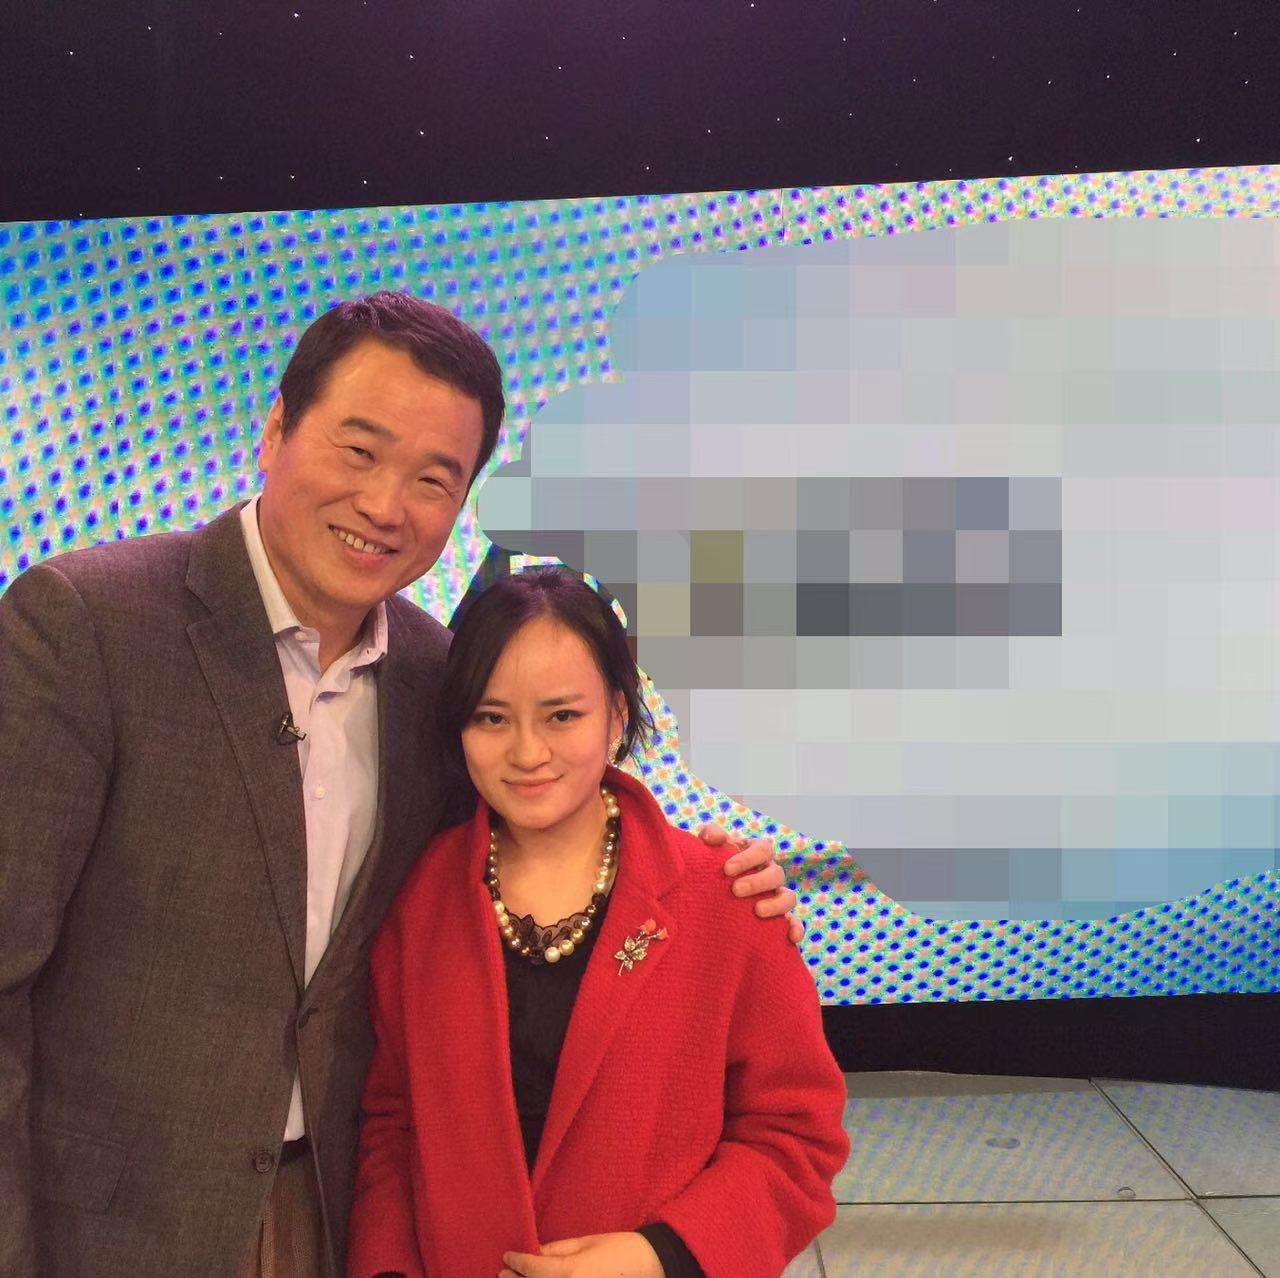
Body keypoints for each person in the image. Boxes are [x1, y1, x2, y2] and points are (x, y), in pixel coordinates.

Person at [0, 291, 798, 1278]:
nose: (386, 506)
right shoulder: (88, 624)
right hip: (112, 1227)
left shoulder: (435, 676)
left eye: (433, 478)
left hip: (335, 1213)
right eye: (358, 449)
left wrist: (713, 875)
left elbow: (535, 829)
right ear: (277, 428)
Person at [348, 567, 849, 1278]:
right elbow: (394, 1128)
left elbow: (796, 1136)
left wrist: (660, 1254)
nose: (527, 753)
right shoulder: (422, 899)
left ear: (616, 715)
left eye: (562, 716)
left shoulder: (724, 898)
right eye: (492, 718)